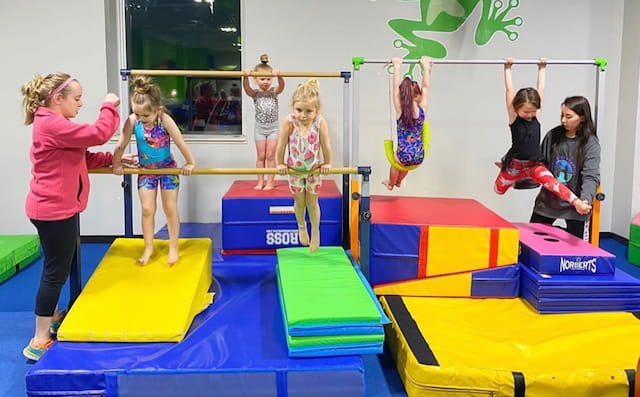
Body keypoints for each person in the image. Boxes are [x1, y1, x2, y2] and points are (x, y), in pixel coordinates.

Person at [21, 72, 138, 361]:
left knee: (62, 264)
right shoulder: (50, 124)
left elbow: (82, 156)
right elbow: (98, 133)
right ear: (57, 99)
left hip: (62, 208)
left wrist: (114, 159)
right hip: (52, 210)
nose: (80, 103)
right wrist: (109, 106)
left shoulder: (57, 125)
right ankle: (39, 338)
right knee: (55, 271)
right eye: (77, 98)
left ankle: (54, 315)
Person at [113, 76, 196, 266]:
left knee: (170, 208)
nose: (141, 119)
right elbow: (121, 144)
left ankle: (173, 247)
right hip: (146, 171)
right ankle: (148, 247)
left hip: (168, 170)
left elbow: (180, 142)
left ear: (157, 110)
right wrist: (116, 163)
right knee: (147, 209)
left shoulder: (164, 119)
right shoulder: (133, 121)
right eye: (137, 114)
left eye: (145, 116)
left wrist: (190, 163)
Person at [494, 57, 591, 215]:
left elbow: (541, 90)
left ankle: (577, 202)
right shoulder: (514, 117)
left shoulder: (535, 115)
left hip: (534, 164)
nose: (530, 115)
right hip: (515, 165)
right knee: (498, 190)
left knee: (552, 182)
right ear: (516, 108)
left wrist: (542, 67)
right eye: (526, 112)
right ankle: (508, 171)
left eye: (533, 111)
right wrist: (507, 67)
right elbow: (509, 91)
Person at [530, 96, 600, 239]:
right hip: (548, 201)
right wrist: (516, 177)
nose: (563, 120)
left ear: (582, 118)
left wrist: (584, 201)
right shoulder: (553, 135)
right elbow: (538, 166)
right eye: (562, 115)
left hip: (576, 204)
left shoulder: (590, 143)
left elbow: (591, 176)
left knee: (574, 252)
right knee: (532, 240)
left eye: (568, 116)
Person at [275, 79, 332, 253]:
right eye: (299, 110)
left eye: (308, 111)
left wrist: (328, 163)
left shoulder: (319, 122)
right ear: (293, 107)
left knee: (312, 202)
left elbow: (325, 145)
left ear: (316, 110)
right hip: (294, 171)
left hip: (314, 170)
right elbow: (281, 145)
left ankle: (315, 231)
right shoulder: (289, 122)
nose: (303, 115)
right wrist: (280, 163)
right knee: (299, 203)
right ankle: (301, 226)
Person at [382, 56, 431, 190]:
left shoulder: (400, 110)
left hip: (403, 155)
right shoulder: (422, 109)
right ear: (418, 96)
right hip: (419, 155)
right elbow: (426, 87)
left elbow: (395, 90)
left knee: (396, 164)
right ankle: (399, 181)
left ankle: (391, 184)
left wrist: (397, 66)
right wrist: (426, 68)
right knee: (407, 164)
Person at [243, 54, 285, 190]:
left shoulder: (274, 92)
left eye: (268, 79)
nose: (266, 82)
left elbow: (282, 86)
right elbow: (246, 89)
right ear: (256, 79)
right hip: (260, 129)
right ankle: (260, 181)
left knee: (271, 155)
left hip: (273, 128)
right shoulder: (255, 94)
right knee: (261, 156)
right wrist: (246, 77)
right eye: (262, 79)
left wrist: (279, 76)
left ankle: (270, 182)